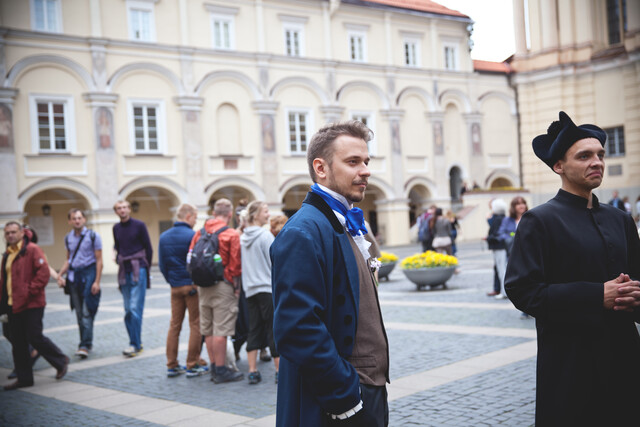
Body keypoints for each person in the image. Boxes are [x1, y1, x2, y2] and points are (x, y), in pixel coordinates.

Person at [505, 111, 640, 425]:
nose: (597, 162)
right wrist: (596, 296)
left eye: (600, 155)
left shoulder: (620, 219)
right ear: (559, 166)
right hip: (570, 364)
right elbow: (523, 291)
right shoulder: (539, 220)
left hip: (624, 358)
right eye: (584, 156)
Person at [272, 121, 389, 426]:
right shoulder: (303, 231)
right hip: (338, 401)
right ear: (321, 168)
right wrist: (346, 398)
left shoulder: (342, 220)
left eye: (366, 161)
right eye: (353, 162)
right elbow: (298, 329)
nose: (365, 171)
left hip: (367, 387)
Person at [0, 222, 69, 390]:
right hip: (13, 304)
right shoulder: (7, 254)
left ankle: (60, 360)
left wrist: (28, 291)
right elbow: (4, 280)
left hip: (32, 303)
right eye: (7, 233)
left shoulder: (32, 249)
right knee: (18, 342)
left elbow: (43, 273)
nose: (10, 235)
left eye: (13, 232)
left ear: (21, 233)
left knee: (34, 336)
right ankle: (24, 378)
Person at [188, 198, 244, 384]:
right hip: (223, 285)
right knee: (221, 329)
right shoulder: (230, 234)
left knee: (208, 329)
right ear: (230, 214)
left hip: (202, 286)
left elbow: (191, 258)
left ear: (213, 213)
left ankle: (214, 366)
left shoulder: (199, 233)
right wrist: (235, 287)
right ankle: (221, 370)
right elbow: (235, 265)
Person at [158, 203, 209, 378]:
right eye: (195, 217)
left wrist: (172, 281)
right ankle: (192, 363)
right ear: (188, 216)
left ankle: (171, 364)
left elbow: (162, 265)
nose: (195, 221)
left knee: (174, 325)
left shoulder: (164, 236)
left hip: (175, 287)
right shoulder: (194, 235)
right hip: (191, 286)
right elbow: (198, 262)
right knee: (195, 324)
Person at [240, 201, 280, 384]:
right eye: (265, 211)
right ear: (256, 215)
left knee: (254, 328)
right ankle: (279, 370)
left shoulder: (243, 237)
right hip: (266, 288)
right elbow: (275, 261)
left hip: (250, 289)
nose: (268, 214)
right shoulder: (265, 235)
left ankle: (252, 370)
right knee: (273, 328)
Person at [57, 209, 103, 359]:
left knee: (86, 311)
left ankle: (84, 345)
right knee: (79, 314)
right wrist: (60, 274)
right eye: (74, 218)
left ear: (84, 219)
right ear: (69, 221)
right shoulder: (68, 238)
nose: (77, 221)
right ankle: (87, 343)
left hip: (89, 274)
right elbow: (69, 260)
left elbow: (99, 260)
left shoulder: (93, 236)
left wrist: (97, 281)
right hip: (74, 277)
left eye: (79, 218)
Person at [112, 199, 153, 358]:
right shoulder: (116, 228)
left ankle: (134, 344)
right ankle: (135, 342)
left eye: (124, 207)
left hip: (139, 268)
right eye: (119, 208)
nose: (122, 210)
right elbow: (117, 246)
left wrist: (146, 267)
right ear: (116, 211)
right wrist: (117, 257)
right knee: (128, 309)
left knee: (135, 308)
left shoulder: (139, 225)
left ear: (129, 209)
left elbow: (148, 248)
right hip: (124, 270)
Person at [486, 199, 507, 299]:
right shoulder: (502, 218)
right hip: (500, 246)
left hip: (499, 247)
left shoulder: (498, 219)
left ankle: (504, 292)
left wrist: (488, 238)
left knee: (501, 270)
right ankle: (503, 291)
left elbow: (496, 234)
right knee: (501, 269)